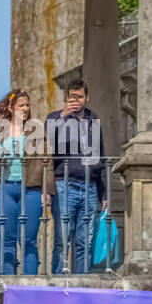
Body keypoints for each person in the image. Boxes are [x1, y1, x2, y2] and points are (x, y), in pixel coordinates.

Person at [44, 79, 107, 274]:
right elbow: (46, 148)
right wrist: (63, 116)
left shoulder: (93, 120)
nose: (76, 100)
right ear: (67, 97)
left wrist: (103, 194)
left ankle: (82, 283)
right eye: (72, 97)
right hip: (64, 185)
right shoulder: (55, 118)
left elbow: (100, 156)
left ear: (86, 98)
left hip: (89, 186)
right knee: (62, 240)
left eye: (79, 97)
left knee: (85, 241)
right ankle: (57, 282)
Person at [0, 89, 46, 275]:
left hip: (31, 189)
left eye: (27, 105)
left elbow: (46, 161)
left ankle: (32, 288)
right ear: (10, 108)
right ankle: (8, 285)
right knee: (7, 241)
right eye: (21, 106)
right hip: (4, 188)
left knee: (29, 240)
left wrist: (46, 190)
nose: (25, 109)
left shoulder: (36, 129)